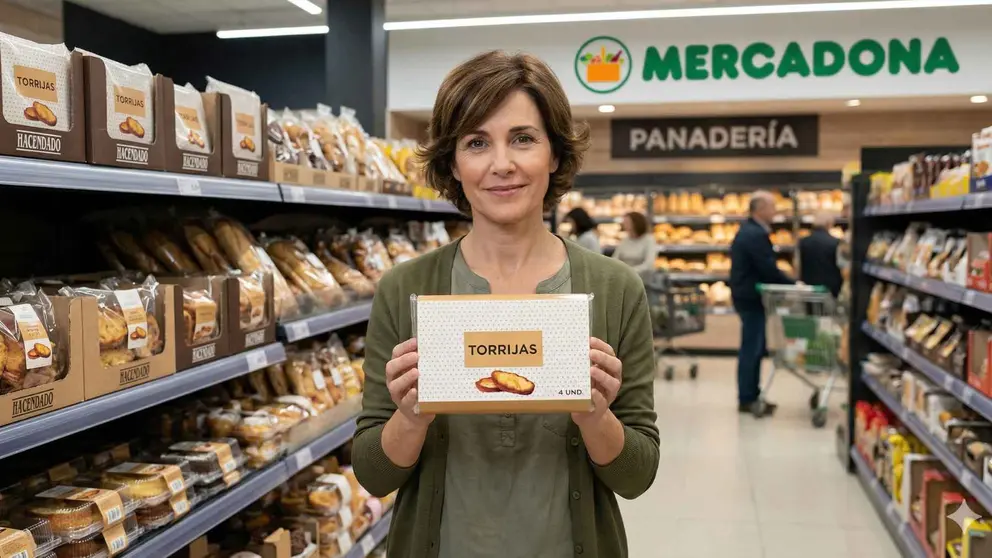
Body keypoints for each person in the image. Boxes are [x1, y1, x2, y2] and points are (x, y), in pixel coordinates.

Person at [352, 50, 660, 558]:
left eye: (523, 138)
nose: (502, 164)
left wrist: (595, 416)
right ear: (453, 162)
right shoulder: (406, 288)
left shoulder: (614, 288)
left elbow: (637, 475)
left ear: (555, 153)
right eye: (477, 143)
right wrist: (409, 417)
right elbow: (373, 473)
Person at [729, 191, 795, 418]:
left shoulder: (750, 231)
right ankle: (747, 398)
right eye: (771, 207)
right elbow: (767, 268)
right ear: (759, 209)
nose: (775, 211)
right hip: (751, 297)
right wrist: (793, 284)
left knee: (754, 348)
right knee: (752, 348)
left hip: (747, 295)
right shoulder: (754, 234)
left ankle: (752, 395)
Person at [798, 212, 843, 298]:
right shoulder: (835, 242)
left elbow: (798, 265)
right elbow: (840, 266)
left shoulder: (803, 242)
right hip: (830, 290)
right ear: (829, 224)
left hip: (809, 289)